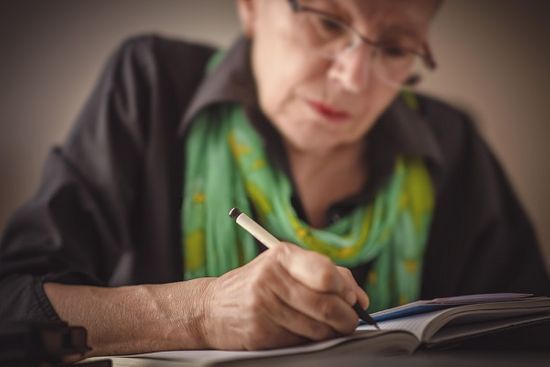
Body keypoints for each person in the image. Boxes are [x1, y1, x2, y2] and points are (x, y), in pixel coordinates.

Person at [1, 0, 549, 357]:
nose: (353, 79)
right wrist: (199, 314)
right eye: (329, 21)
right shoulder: (148, 86)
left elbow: (532, 329)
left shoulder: (454, 145)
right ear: (252, 8)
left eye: (396, 46)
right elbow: (11, 305)